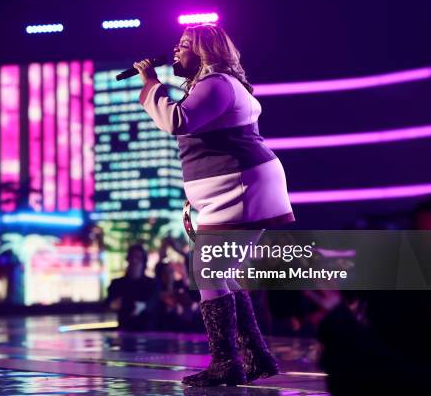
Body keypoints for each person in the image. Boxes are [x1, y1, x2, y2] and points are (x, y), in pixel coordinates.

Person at [134, 23, 295, 386]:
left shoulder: (217, 83)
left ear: (206, 51)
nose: (176, 51)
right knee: (219, 273)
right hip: (232, 187)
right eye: (176, 45)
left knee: (208, 271)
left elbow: (177, 120)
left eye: (185, 45)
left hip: (239, 186)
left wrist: (150, 82)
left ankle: (226, 363)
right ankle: (255, 358)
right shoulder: (214, 85)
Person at [106, 244, 159, 331]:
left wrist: (143, 307)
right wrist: (112, 305)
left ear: (143, 261)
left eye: (138, 258)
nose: (134, 261)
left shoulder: (152, 284)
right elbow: (108, 304)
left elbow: (153, 304)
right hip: (125, 332)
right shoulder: (117, 284)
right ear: (128, 260)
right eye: (132, 257)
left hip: (148, 332)